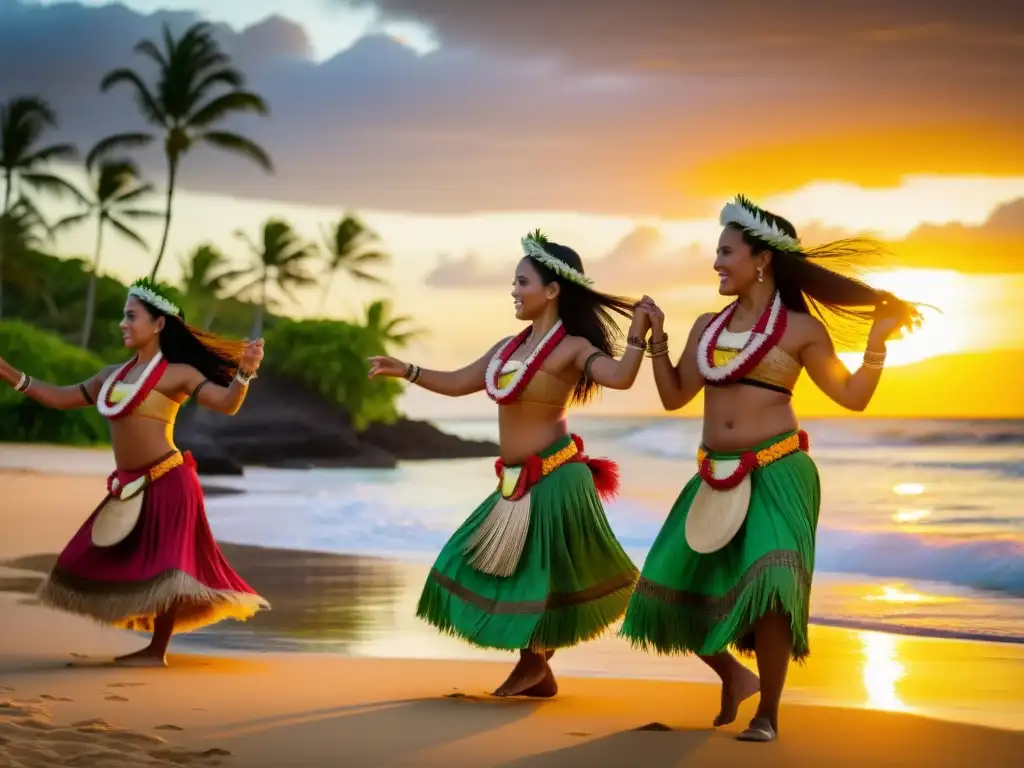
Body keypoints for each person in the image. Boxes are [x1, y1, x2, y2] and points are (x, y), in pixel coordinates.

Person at [620, 195, 921, 741]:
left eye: (725, 252)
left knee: (773, 590)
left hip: (779, 473)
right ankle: (735, 676)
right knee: (669, 587)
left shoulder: (801, 330)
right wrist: (655, 338)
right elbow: (673, 398)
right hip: (714, 473)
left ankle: (770, 714)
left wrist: (876, 345)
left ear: (761, 259)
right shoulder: (707, 328)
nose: (715, 262)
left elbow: (851, 397)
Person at [368, 230, 646, 696]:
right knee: (468, 559)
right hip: (516, 482)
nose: (514, 291)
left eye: (522, 282)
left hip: (557, 477)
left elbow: (619, 377)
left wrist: (639, 337)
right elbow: (459, 382)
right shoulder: (506, 349)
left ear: (553, 290)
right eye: (514, 283)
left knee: (537, 575)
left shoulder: (572, 348)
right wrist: (408, 370)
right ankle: (539, 671)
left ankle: (532, 664)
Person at [0, 277, 270, 666]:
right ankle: (147, 643)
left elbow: (226, 404)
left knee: (168, 569)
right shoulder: (109, 377)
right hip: (129, 486)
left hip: (170, 481)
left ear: (158, 324)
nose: (123, 323)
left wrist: (243, 373)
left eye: (131, 316)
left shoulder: (178, 374)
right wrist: (9, 373)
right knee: (86, 556)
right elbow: (59, 398)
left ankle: (155, 651)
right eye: (123, 316)